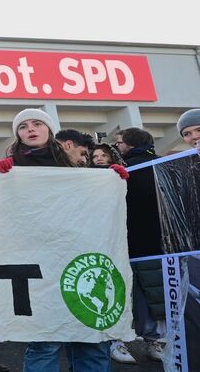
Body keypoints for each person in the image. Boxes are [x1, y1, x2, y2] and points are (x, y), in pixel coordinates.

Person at [0, 113, 126, 372]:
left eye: (37, 124)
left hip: (79, 257)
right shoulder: (11, 168)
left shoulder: (73, 164)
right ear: (17, 134)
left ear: (49, 129)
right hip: (38, 263)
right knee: (46, 341)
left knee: (92, 338)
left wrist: (108, 181)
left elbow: (89, 203)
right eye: (23, 126)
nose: (30, 129)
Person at [116, 126, 168, 360]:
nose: (117, 146)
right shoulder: (164, 165)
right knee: (156, 294)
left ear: (129, 143)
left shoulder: (122, 169)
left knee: (124, 292)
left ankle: (118, 341)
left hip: (126, 240)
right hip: (161, 241)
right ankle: (154, 342)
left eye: (119, 142)